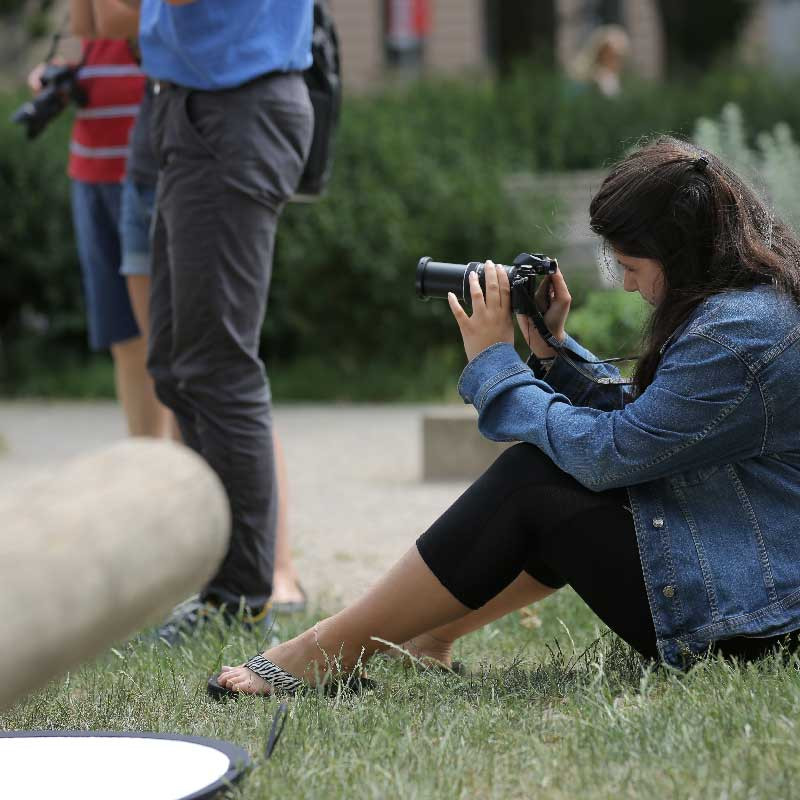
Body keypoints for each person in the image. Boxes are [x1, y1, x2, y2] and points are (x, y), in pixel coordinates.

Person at [212, 136, 800, 696]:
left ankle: (323, 652)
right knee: (555, 470)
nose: (625, 282)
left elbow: (613, 454)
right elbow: (659, 428)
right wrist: (552, 350)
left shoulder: (738, 333)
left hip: (757, 624)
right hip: (762, 589)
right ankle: (429, 635)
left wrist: (499, 367)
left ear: (679, 253)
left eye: (632, 264)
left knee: (535, 482)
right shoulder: (751, 308)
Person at [128, 0, 314, 632]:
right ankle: (220, 586)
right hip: (199, 108)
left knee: (217, 365)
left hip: (235, 110)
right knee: (178, 364)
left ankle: (240, 597)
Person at [27, 0, 164, 437]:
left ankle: (179, 467)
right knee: (126, 340)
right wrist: (60, 76)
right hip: (91, 170)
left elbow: (133, 25)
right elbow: (89, 36)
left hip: (150, 171)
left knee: (169, 340)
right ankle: (146, 463)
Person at [567, 24, 630, 98]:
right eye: (610, 55)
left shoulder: (624, 79)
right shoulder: (584, 77)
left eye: (617, 58)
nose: (614, 61)